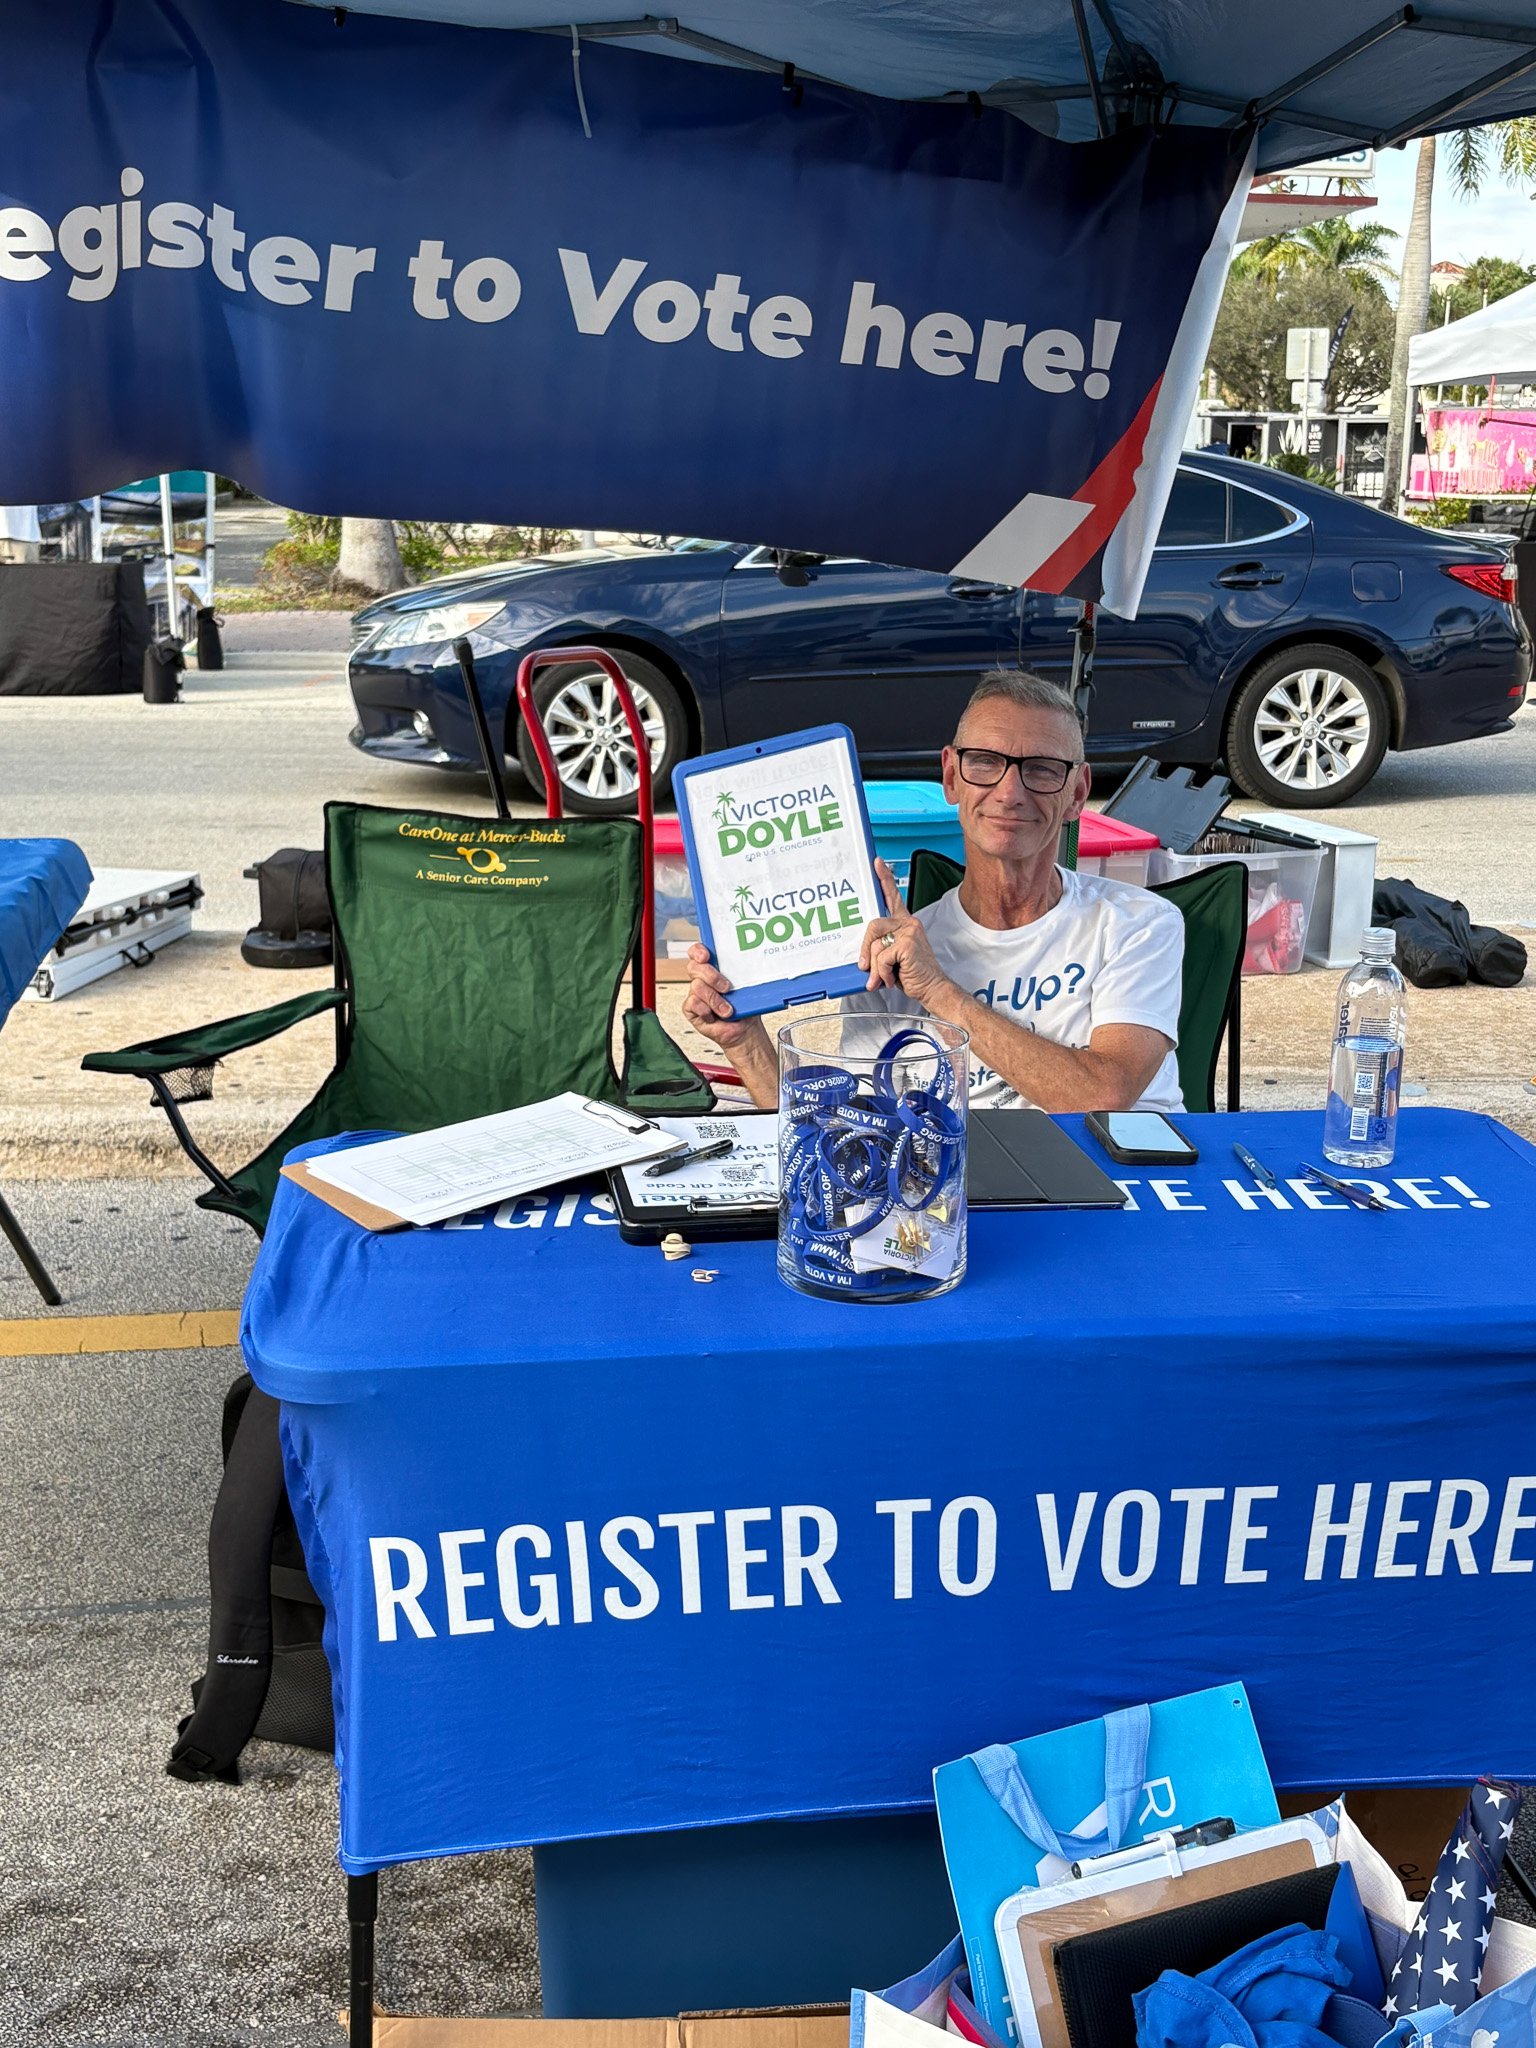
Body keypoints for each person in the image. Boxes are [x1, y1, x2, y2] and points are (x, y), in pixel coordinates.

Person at [683, 667, 1185, 1113]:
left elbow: (1105, 1095)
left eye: (1042, 769)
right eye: (985, 762)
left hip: (1123, 1187)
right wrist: (745, 1042)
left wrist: (939, 991)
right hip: (958, 1194)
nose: (1010, 793)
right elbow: (844, 1146)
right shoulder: (880, 956)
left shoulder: (1138, 922)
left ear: (1077, 793)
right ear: (950, 776)